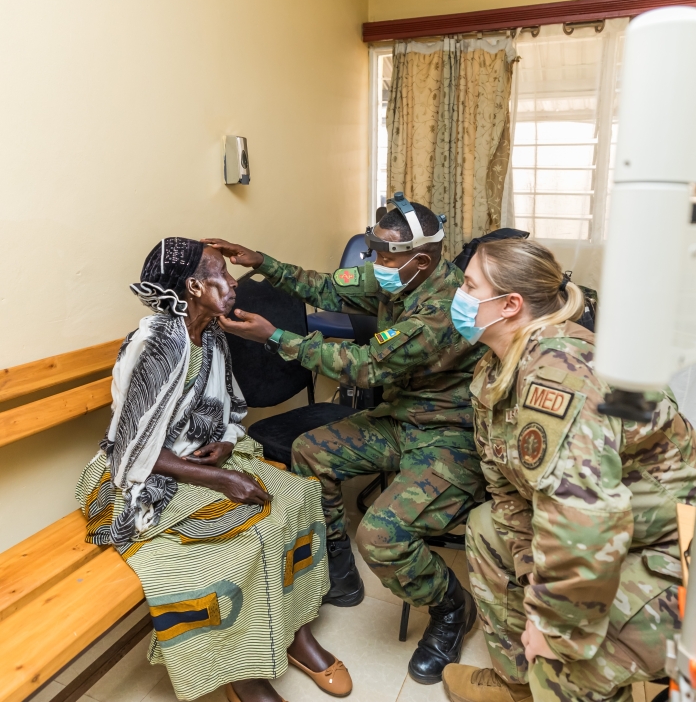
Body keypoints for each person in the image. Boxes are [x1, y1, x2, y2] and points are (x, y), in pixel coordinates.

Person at [206, 196, 486, 684]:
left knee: (381, 537)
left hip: (448, 435)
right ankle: (340, 567)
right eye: (374, 251)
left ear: (420, 261)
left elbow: (366, 365)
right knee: (309, 451)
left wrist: (276, 337)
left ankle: (451, 610)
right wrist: (261, 261)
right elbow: (325, 287)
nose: (376, 265)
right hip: (402, 418)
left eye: (385, 256)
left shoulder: (442, 311)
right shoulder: (396, 273)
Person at [77, 238, 352, 702]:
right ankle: (241, 675)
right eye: (221, 275)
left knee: (297, 500)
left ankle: (297, 634)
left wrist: (225, 443)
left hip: (200, 457)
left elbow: (228, 407)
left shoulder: (212, 332)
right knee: (237, 544)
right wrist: (225, 479)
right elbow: (133, 446)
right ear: (193, 286)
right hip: (143, 474)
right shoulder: (158, 342)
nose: (232, 284)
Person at [440, 239, 696, 702]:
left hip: (677, 553)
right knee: (485, 527)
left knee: (563, 665)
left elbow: (586, 522)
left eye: (468, 285)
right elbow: (510, 496)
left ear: (509, 305)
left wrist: (554, 628)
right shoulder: (496, 370)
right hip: (609, 532)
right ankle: (516, 684)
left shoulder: (559, 374)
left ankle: (553, 681)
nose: (457, 296)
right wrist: (530, 580)